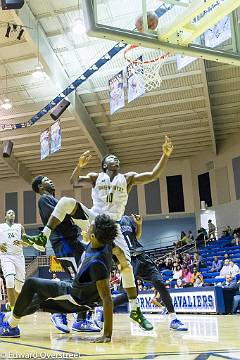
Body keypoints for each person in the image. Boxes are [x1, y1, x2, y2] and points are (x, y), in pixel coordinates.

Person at [23, 136, 173, 331]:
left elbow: (153, 175)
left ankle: (135, 311)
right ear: (104, 165)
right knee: (67, 201)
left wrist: (165, 156)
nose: (115, 159)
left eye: (116, 158)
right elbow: (74, 180)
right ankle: (43, 236)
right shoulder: (96, 177)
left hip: (114, 224)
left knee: (126, 267)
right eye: (111, 158)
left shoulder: (128, 178)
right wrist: (79, 165)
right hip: (94, 218)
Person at [0, 215, 117, 342]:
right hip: (77, 288)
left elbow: (107, 298)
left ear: (93, 237)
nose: (87, 228)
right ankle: (7, 317)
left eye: (90, 228)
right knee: (36, 299)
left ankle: (11, 327)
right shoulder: (106, 243)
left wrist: (107, 334)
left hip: (74, 297)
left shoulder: (96, 264)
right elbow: (119, 254)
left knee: (31, 283)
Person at [30, 175, 98, 333]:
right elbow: (58, 220)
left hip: (73, 241)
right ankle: (59, 313)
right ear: (40, 187)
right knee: (78, 280)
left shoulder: (56, 200)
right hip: (64, 243)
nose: (51, 180)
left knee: (87, 278)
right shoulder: (44, 200)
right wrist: (76, 219)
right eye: (46, 179)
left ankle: (81, 318)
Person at [113, 214, 187, 331]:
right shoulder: (109, 222)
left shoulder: (126, 219)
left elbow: (135, 237)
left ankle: (174, 319)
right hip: (128, 260)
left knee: (159, 283)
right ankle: (101, 309)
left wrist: (139, 225)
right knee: (130, 295)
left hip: (142, 256)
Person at [0, 210, 26, 309]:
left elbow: (26, 243)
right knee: (10, 281)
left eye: (13, 213)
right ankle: (12, 310)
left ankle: (12, 303)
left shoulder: (20, 227)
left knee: (19, 287)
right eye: (9, 213)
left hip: (18, 256)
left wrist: (21, 242)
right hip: (6, 256)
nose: (12, 214)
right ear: (5, 216)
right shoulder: (1, 227)